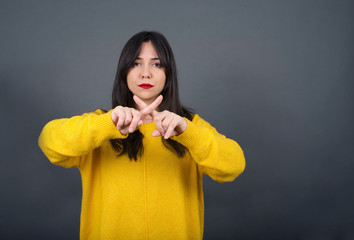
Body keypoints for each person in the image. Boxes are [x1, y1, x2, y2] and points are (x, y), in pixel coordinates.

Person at [38, 31, 246, 240]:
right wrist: (108, 125)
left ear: (168, 73)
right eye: (136, 64)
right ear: (124, 72)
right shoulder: (100, 123)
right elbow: (49, 141)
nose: (145, 73)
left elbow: (234, 165)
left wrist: (187, 132)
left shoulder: (190, 126)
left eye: (156, 64)